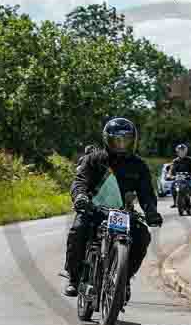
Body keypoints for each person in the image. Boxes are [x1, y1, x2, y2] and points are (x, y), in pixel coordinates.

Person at [62, 118, 163, 297]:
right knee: (78, 230)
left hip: (123, 213)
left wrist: (151, 212)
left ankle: (124, 278)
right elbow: (80, 181)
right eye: (117, 140)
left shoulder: (138, 165)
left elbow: (146, 192)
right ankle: (74, 277)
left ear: (133, 140)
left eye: (126, 140)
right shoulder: (94, 159)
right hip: (94, 209)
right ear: (107, 140)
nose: (121, 144)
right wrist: (80, 197)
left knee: (142, 236)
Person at [165, 143, 191, 208]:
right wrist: (169, 176)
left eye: (183, 151)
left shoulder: (190, 160)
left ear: (186, 152)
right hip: (178, 179)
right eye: (180, 151)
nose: (181, 153)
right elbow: (171, 170)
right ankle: (175, 202)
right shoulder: (175, 161)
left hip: (188, 178)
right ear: (177, 152)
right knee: (172, 186)